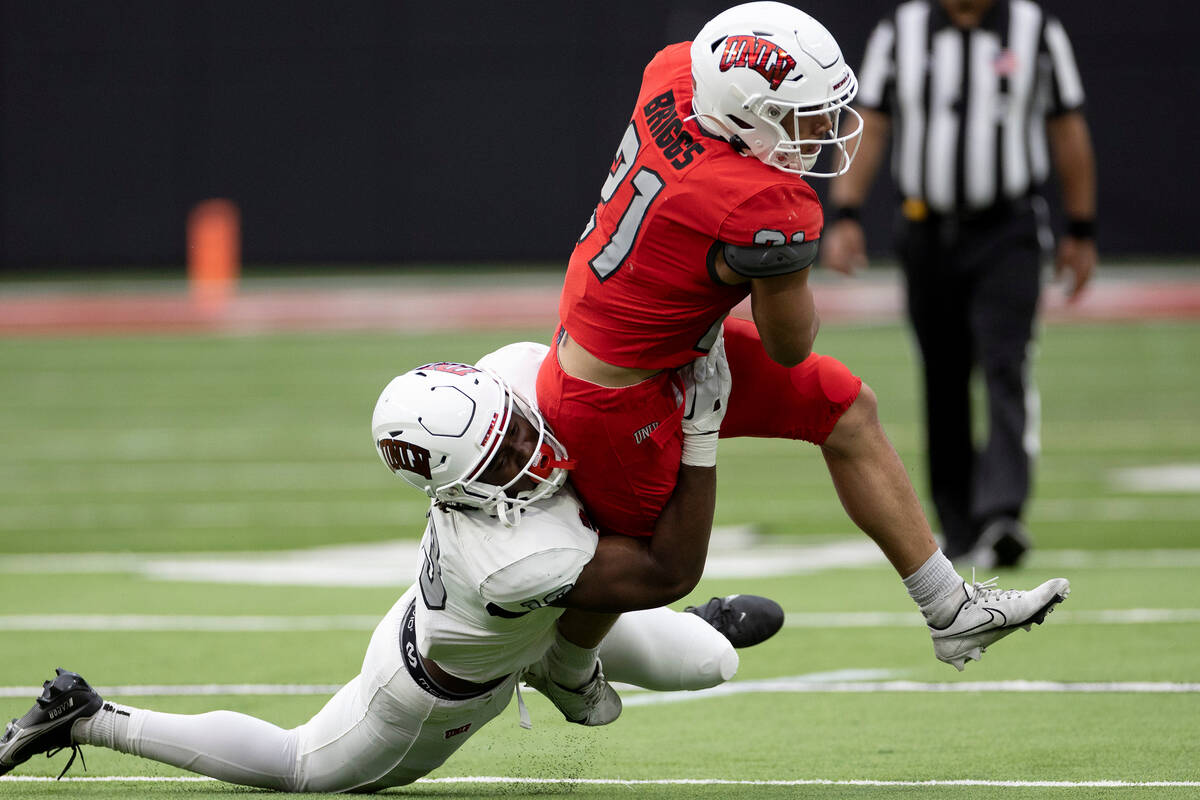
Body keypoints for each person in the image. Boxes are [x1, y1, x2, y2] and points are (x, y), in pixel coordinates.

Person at [538, 0, 1069, 671]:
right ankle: (555, 655)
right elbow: (792, 342)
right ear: (744, 111)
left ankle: (950, 609)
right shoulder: (762, 204)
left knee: (845, 407)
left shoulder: (677, 75)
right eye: (801, 115)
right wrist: (781, 266)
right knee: (663, 569)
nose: (822, 129)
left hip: (645, 336)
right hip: (615, 393)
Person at [0, 342, 784, 791]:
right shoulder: (513, 559)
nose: (530, 448)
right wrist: (700, 428)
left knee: (714, 664)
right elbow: (661, 566)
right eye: (506, 455)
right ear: (459, 486)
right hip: (432, 690)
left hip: (544, 615)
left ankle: (644, 648)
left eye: (513, 429)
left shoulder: (508, 380)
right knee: (300, 767)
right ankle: (89, 715)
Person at [821, 0, 1098, 566]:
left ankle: (1002, 514)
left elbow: (1066, 125)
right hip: (927, 230)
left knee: (1005, 363)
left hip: (1009, 228)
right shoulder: (902, 31)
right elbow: (870, 122)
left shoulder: (1034, 29)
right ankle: (958, 521)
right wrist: (846, 214)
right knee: (942, 374)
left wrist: (1081, 227)